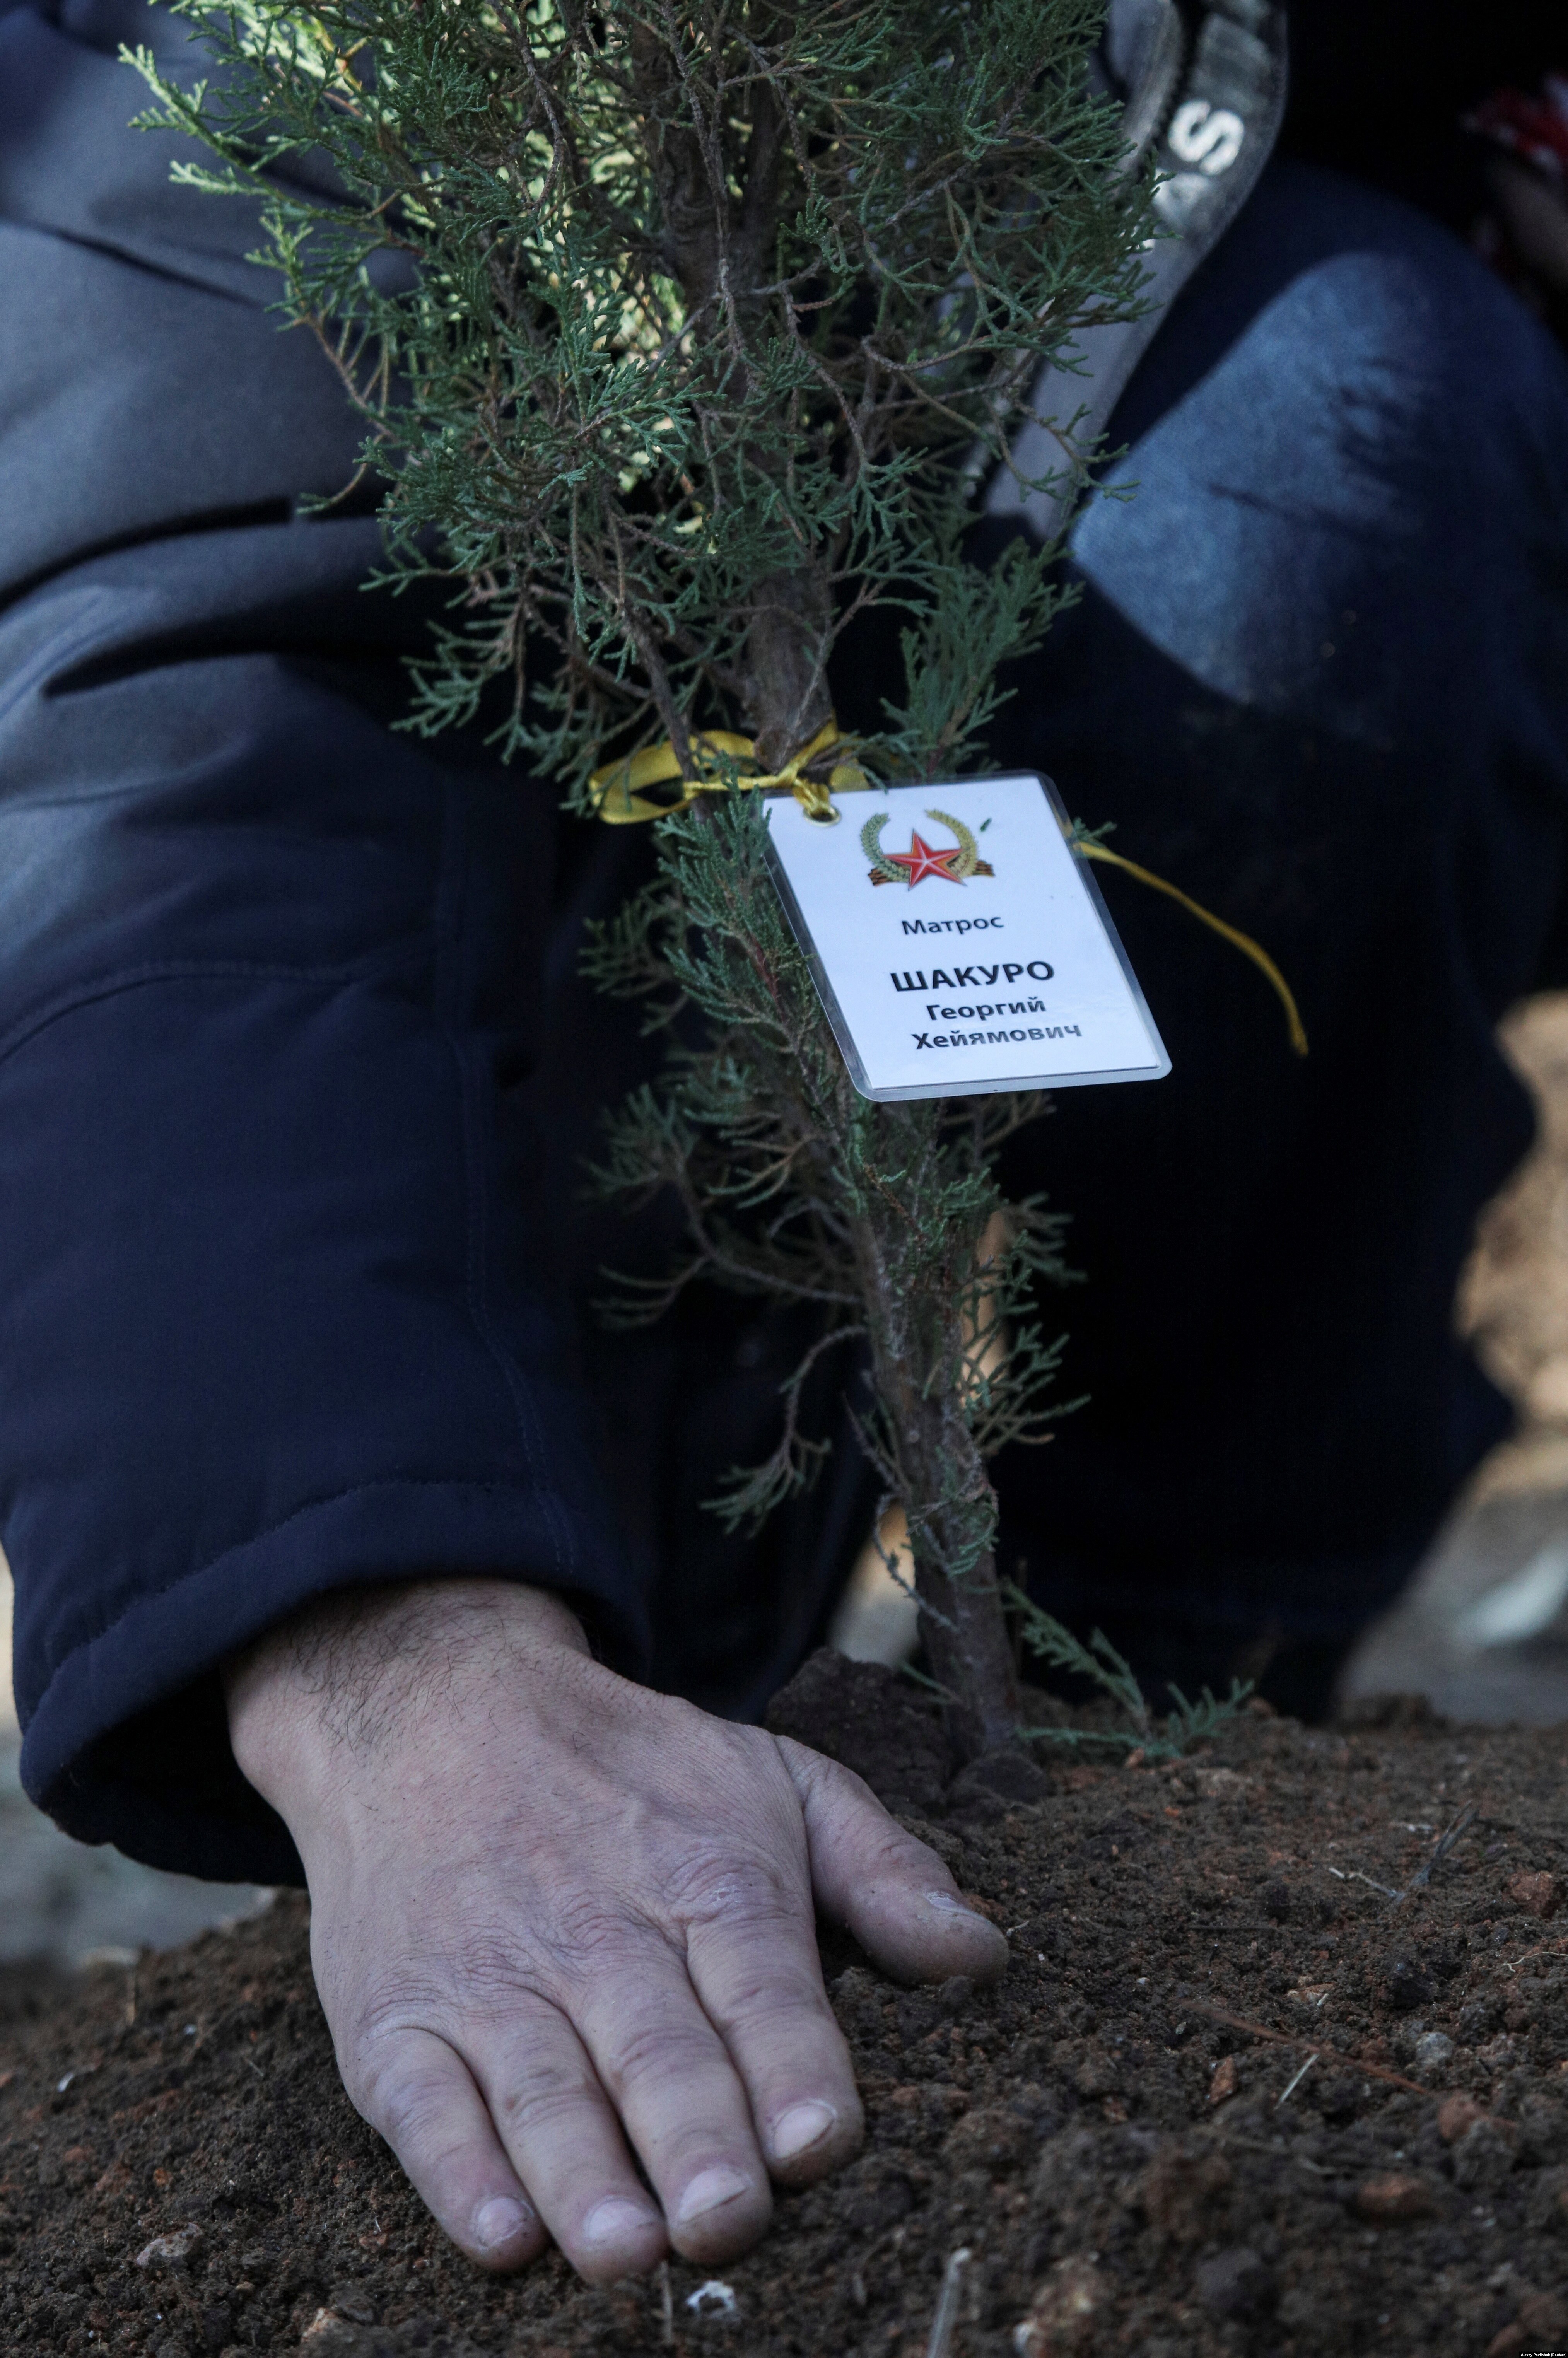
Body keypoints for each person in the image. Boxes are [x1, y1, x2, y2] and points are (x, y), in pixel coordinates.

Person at [2, 0, 1566, 2285]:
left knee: (1346, 440)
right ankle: (622, 1628)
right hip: (540, 698)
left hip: (1098, 418)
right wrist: (378, 1638)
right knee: (572, 1587)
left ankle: (1161, 1679)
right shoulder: (234, 98)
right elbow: (172, 737)